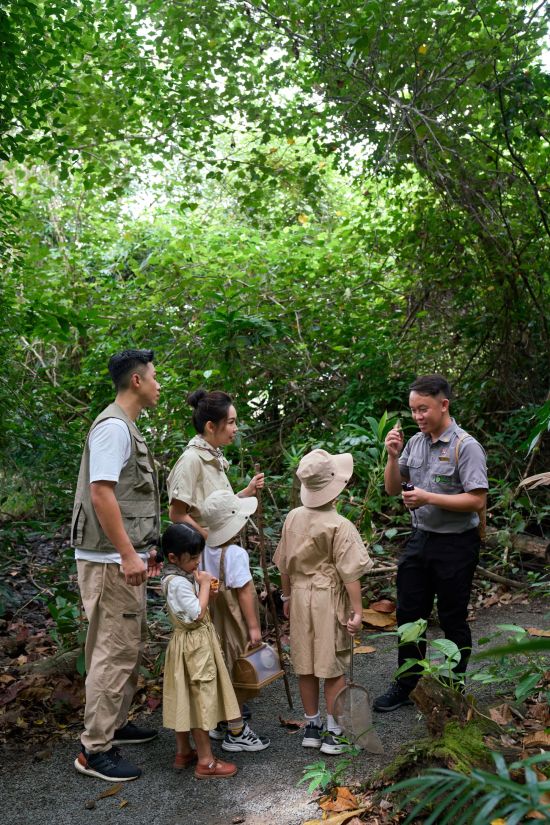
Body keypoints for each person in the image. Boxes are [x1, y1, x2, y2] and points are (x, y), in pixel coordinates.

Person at [71, 349, 162, 781]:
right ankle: (94, 749)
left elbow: (131, 498)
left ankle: (114, 726)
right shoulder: (113, 428)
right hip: (109, 562)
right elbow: (102, 493)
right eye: (155, 377)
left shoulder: (125, 427)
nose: (159, 384)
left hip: (121, 557)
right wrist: (127, 554)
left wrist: (144, 551)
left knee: (125, 646)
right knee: (113, 651)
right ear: (137, 382)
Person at [374, 374, 488, 713]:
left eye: (423, 409)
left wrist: (429, 497)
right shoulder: (416, 442)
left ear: (444, 404)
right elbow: (394, 488)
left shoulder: (465, 446)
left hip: (456, 544)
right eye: (412, 410)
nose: (418, 416)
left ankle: (452, 686)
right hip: (420, 540)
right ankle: (408, 683)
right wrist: (393, 457)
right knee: (409, 614)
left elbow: (477, 500)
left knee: (452, 617)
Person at [274, 449, 373, 755]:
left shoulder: (293, 518)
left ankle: (312, 726)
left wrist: (287, 597)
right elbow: (350, 574)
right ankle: (333, 731)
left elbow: (284, 565)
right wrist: (357, 611)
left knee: (304, 664)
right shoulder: (340, 525)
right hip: (328, 597)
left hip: (301, 597)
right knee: (332, 665)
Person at [161, 523, 243, 779]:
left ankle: (184, 751)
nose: (197, 562)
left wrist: (210, 592)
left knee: (185, 695)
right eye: (193, 557)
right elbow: (197, 614)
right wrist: (205, 586)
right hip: (194, 647)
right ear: (174, 557)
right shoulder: (177, 583)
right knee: (199, 700)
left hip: (189, 645)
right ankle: (206, 761)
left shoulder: (181, 578)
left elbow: (200, 606)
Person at [200, 489, 269, 749]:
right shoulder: (235, 554)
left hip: (210, 617)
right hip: (232, 619)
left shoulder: (203, 549)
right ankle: (237, 731)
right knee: (236, 668)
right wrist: (253, 627)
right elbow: (244, 592)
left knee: (218, 666)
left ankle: (220, 721)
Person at [166, 388, 264, 540]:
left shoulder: (213, 455)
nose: (236, 428)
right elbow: (176, 514)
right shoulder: (191, 459)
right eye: (231, 422)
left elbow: (217, 510)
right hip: (202, 552)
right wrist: (207, 537)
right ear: (210, 427)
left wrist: (247, 492)